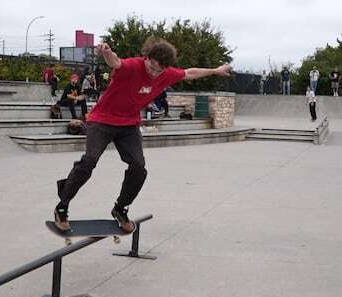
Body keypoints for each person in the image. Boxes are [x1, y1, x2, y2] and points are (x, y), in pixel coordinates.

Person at [53, 37, 231, 233]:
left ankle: (120, 209)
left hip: (128, 125)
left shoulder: (166, 73)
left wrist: (215, 70)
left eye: (159, 71)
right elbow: (116, 61)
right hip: (102, 120)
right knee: (89, 161)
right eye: (152, 67)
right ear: (146, 58)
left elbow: (190, 73)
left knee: (139, 167)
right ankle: (62, 206)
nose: (154, 74)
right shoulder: (131, 66)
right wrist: (105, 51)